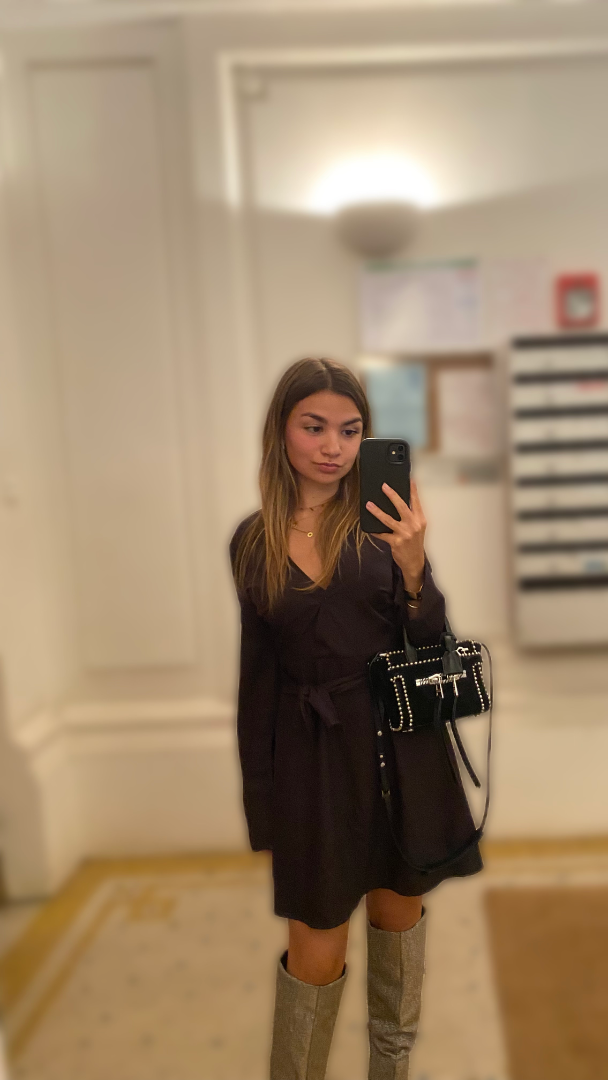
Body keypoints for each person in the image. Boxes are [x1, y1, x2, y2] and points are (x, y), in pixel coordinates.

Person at [229, 357, 483, 1080]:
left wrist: (414, 567)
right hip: (312, 763)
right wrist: (262, 803)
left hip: (401, 751)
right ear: (282, 432)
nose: (333, 447)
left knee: (397, 926)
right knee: (316, 944)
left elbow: (430, 646)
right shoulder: (253, 541)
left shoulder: (383, 527)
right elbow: (258, 680)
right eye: (314, 427)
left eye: (349, 430)